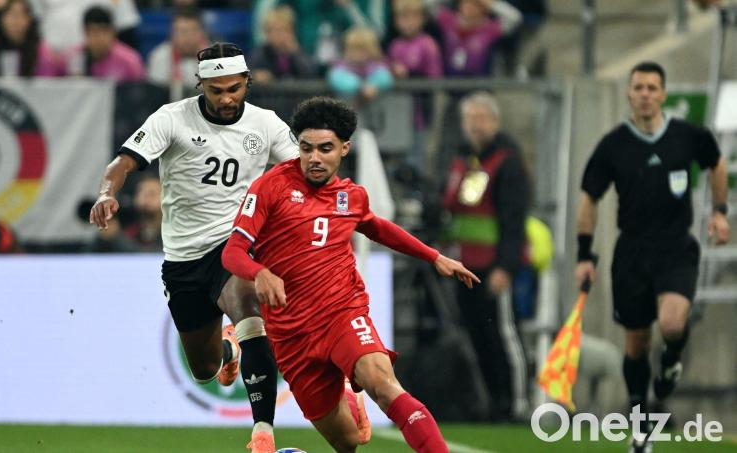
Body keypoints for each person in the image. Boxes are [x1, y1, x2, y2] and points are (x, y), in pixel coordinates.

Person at [222, 96, 481, 453]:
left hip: (341, 314)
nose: (314, 158)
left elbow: (376, 227)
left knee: (383, 383)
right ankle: (345, 392)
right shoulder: (271, 187)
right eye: (306, 148)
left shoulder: (351, 197)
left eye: (325, 149)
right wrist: (260, 272)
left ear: (344, 148)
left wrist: (433, 256)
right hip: (291, 335)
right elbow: (233, 251)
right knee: (348, 442)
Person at [88, 42, 298, 453]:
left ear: (247, 83)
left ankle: (263, 435)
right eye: (215, 89)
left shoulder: (267, 124)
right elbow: (123, 162)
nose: (225, 98)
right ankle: (226, 349)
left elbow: (301, 172)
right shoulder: (171, 118)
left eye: (234, 88)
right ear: (199, 83)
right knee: (204, 369)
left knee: (249, 312)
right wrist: (105, 193)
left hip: (235, 243)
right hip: (183, 258)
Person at [574, 61, 730, 453]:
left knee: (673, 322)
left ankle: (673, 358)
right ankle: (641, 426)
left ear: (663, 93)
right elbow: (590, 198)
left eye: (652, 87)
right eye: (638, 87)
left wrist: (719, 212)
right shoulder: (614, 145)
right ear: (629, 94)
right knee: (636, 342)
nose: (645, 93)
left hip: (676, 247)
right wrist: (584, 253)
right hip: (633, 252)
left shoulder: (686, 136)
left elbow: (716, 162)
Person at [442, 91, 530, 422]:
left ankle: (518, 403)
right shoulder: (462, 161)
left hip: (493, 266)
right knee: (478, 335)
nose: (475, 126)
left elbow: (514, 219)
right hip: (464, 266)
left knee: (503, 335)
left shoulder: (507, 161)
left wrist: (505, 267)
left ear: (495, 122)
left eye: (482, 119)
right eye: (470, 119)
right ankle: (496, 403)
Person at [0, 0, 62, 77]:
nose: (16, 20)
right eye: (11, 14)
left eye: (21, 15)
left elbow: (47, 85)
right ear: (1, 18)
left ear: (29, 19)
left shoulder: (41, 50)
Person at [63, 6, 144, 82]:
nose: (99, 37)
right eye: (94, 31)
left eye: (103, 31)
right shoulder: (73, 58)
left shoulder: (130, 61)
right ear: (85, 32)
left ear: (113, 32)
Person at [327, 25, 393, 105]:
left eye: (361, 50)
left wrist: (374, 84)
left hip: (373, 113)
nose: (356, 54)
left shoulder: (376, 65)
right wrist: (361, 86)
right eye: (352, 49)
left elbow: (386, 78)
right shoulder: (341, 66)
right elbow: (337, 79)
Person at [249, 5, 317, 83]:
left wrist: (296, 52)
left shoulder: (298, 52)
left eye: (284, 29)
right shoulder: (260, 54)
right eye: (275, 30)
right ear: (267, 33)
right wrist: (255, 76)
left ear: (292, 31)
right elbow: (245, 75)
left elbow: (312, 75)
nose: (279, 35)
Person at [146, 7, 210, 87]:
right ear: (172, 34)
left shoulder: (214, 57)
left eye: (192, 31)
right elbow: (156, 93)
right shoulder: (159, 56)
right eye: (182, 32)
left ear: (202, 34)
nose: (187, 38)